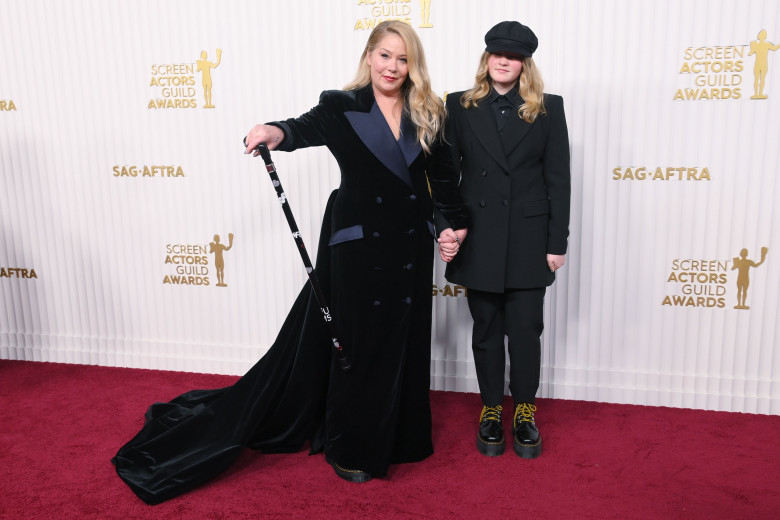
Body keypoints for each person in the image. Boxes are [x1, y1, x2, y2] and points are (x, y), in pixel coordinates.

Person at [112, 20, 468, 504]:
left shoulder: (430, 111)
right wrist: (273, 131)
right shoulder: (341, 105)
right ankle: (353, 446)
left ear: (413, 65)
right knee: (356, 343)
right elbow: (302, 128)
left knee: (403, 337)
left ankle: (403, 437)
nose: (393, 66)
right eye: (385, 55)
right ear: (369, 56)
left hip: (408, 244)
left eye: (403, 59)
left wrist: (451, 225)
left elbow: (444, 179)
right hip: (358, 244)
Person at [436, 21, 570, 459]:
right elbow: (444, 177)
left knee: (526, 330)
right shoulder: (458, 105)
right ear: (487, 56)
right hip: (480, 235)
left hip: (530, 239)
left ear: (524, 62)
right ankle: (491, 409)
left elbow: (558, 181)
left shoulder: (548, 108)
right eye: (496, 52)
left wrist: (557, 241)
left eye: (512, 55)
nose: (503, 60)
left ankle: (525, 411)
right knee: (487, 329)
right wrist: (446, 225)